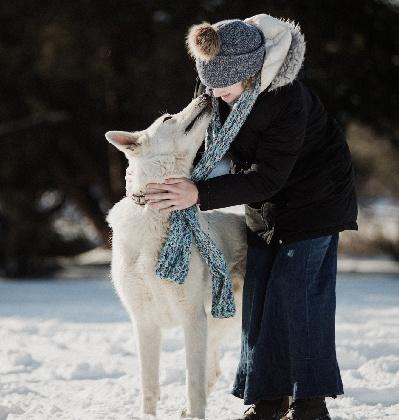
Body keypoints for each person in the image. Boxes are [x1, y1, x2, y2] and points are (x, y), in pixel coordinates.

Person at [127, 14, 358, 420]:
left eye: (223, 85)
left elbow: (269, 175)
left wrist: (198, 194)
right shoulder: (220, 83)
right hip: (263, 202)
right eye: (208, 83)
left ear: (252, 72)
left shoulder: (289, 101)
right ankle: (267, 402)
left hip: (316, 200)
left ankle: (309, 404)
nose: (213, 93)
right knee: (259, 300)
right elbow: (198, 143)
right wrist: (151, 174)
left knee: (298, 298)